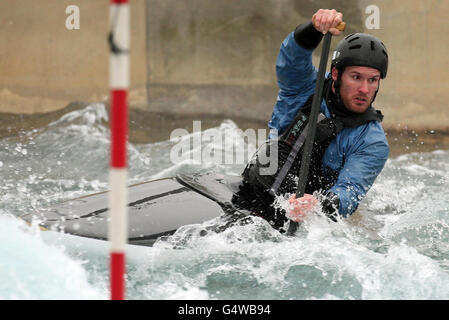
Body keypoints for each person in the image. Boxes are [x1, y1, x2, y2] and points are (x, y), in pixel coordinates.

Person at [232, 9, 389, 231]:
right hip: (249, 191)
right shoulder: (304, 88)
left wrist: (319, 205)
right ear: (336, 74)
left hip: (298, 222)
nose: (364, 89)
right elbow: (291, 59)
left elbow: (350, 192)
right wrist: (314, 29)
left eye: (372, 80)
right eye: (356, 77)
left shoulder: (372, 141)